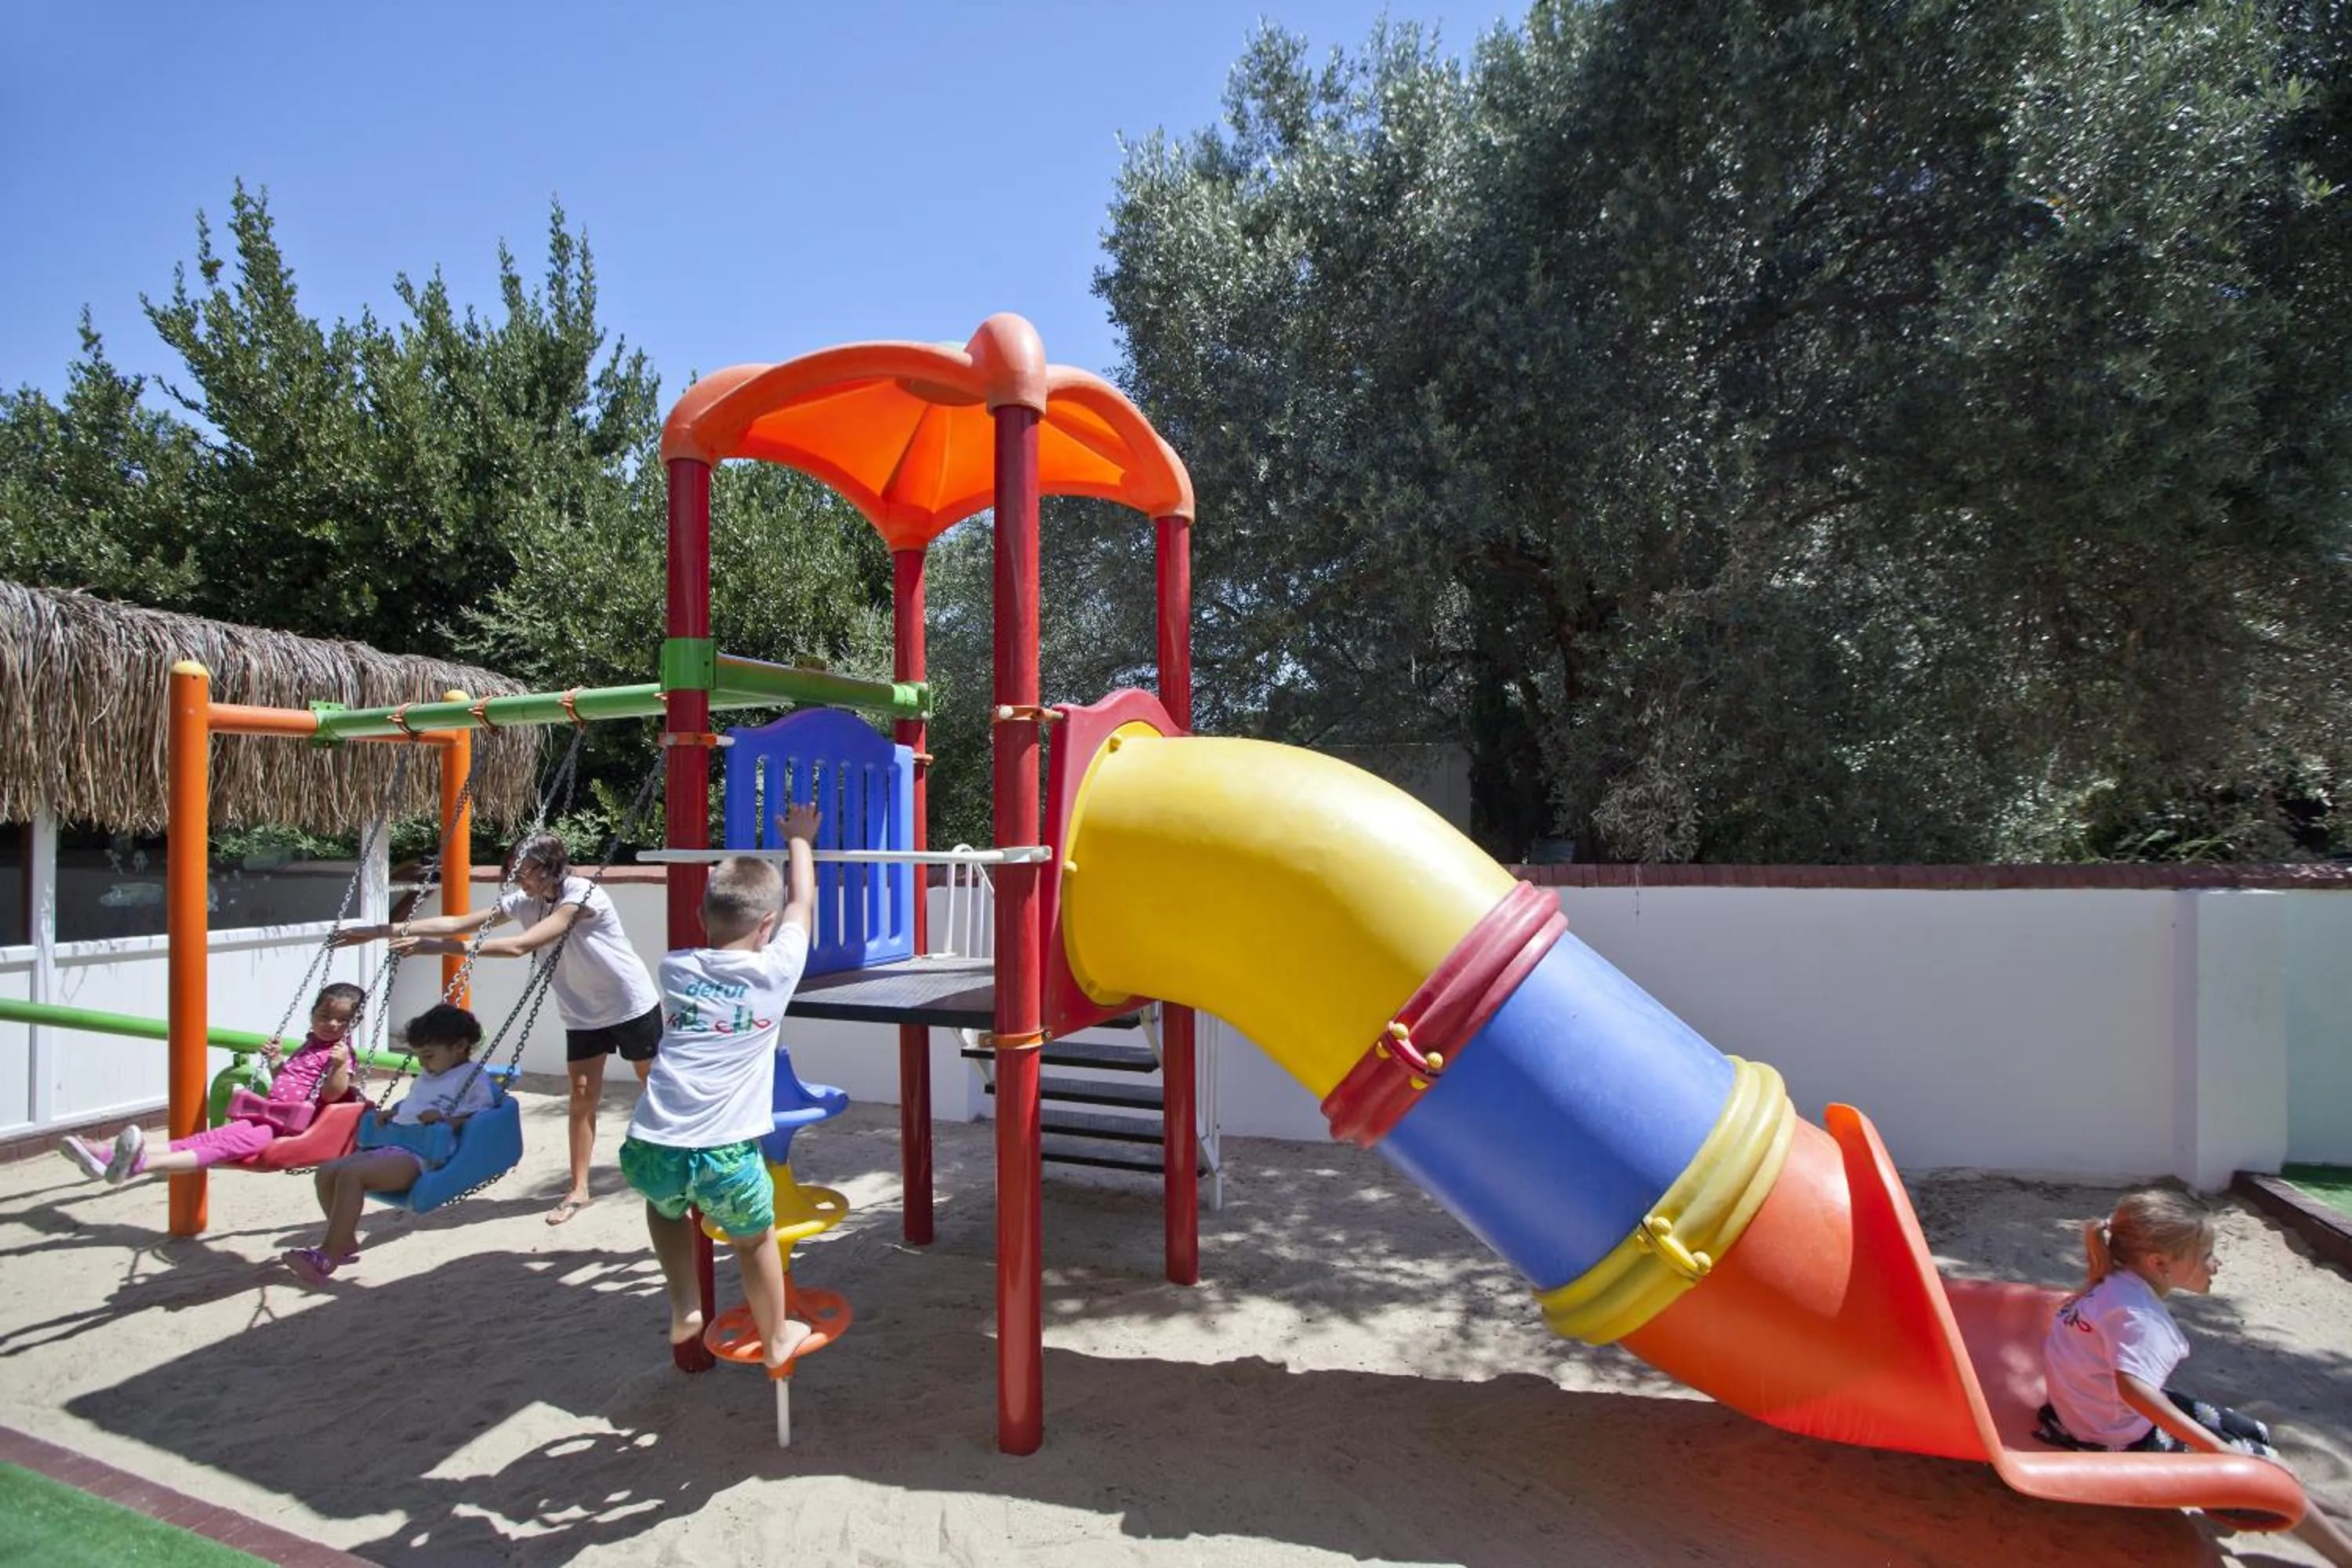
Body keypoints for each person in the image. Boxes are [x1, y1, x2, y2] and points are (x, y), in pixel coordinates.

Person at [336, 831, 659, 1226]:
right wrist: (380, 931)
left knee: (654, 1087)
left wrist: (439, 948)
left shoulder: (582, 894)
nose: (519, 879)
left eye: (526, 871)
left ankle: (677, 1160)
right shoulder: (525, 902)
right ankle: (579, 1189)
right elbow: (459, 922)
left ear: (551, 866)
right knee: (581, 1096)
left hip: (629, 1004)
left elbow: (520, 946)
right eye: (514, 871)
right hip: (581, 1013)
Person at [2038, 1189, 2352, 1566]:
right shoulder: (2139, 1316)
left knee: (2239, 1432)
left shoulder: (2115, 1285)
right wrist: (2217, 1451)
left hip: (2090, 1416)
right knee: (2262, 1474)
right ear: (2159, 1263)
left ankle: (2328, 1509)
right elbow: (2134, 1390)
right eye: (2206, 1256)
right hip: (2115, 1437)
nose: (2216, 1264)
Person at [620, 805, 818, 1377]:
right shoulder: (776, 971)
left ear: (699, 916)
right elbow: (801, 905)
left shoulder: (676, 968)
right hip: (724, 1152)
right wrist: (800, 841)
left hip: (651, 1140)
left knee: (665, 1209)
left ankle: (685, 1300)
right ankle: (776, 1338)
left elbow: (783, 912)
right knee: (754, 1240)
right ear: (767, 925)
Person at [282, 1002, 500, 1287]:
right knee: (328, 1171)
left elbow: (482, 1116)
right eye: (419, 1056)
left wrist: (447, 1120)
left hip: (423, 1157)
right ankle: (344, 1241)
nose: (423, 1063)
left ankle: (327, 1257)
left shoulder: (472, 1077)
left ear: (460, 1046)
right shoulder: (428, 1077)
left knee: (352, 1175)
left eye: (429, 1055)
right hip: (394, 1145)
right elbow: (414, 1105)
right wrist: (394, 1113)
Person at [56, 982, 363, 1184]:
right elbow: (289, 1081)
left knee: (221, 1148)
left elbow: (333, 1095)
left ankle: (137, 1165)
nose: (331, 1024)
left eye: (343, 1021)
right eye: (324, 1015)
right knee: (204, 1139)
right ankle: (105, 1155)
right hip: (267, 1116)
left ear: (354, 1024)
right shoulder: (309, 1045)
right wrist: (274, 1061)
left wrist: (338, 1066)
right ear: (312, 1014)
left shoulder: (341, 1053)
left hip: (290, 1130)